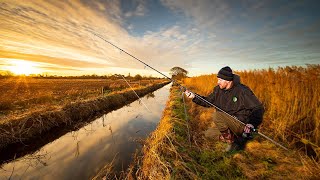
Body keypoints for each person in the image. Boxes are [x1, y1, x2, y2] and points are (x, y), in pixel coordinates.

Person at [185, 66, 264, 151]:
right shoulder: (217, 90)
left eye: (220, 80)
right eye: (218, 79)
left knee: (217, 115)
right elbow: (208, 102)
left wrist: (252, 123)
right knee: (209, 134)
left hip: (240, 123)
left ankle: (232, 142)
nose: (218, 82)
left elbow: (258, 108)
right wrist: (194, 97)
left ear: (228, 81)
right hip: (227, 125)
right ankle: (237, 140)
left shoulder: (242, 91)